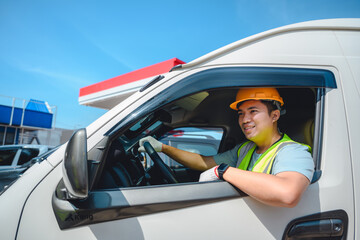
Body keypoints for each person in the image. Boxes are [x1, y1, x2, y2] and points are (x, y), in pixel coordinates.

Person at [138, 88, 314, 208]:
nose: (245, 120)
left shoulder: (292, 151)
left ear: (274, 115)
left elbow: (288, 193)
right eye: (241, 113)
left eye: (253, 111)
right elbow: (205, 163)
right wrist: (162, 147)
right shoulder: (245, 149)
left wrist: (223, 171)